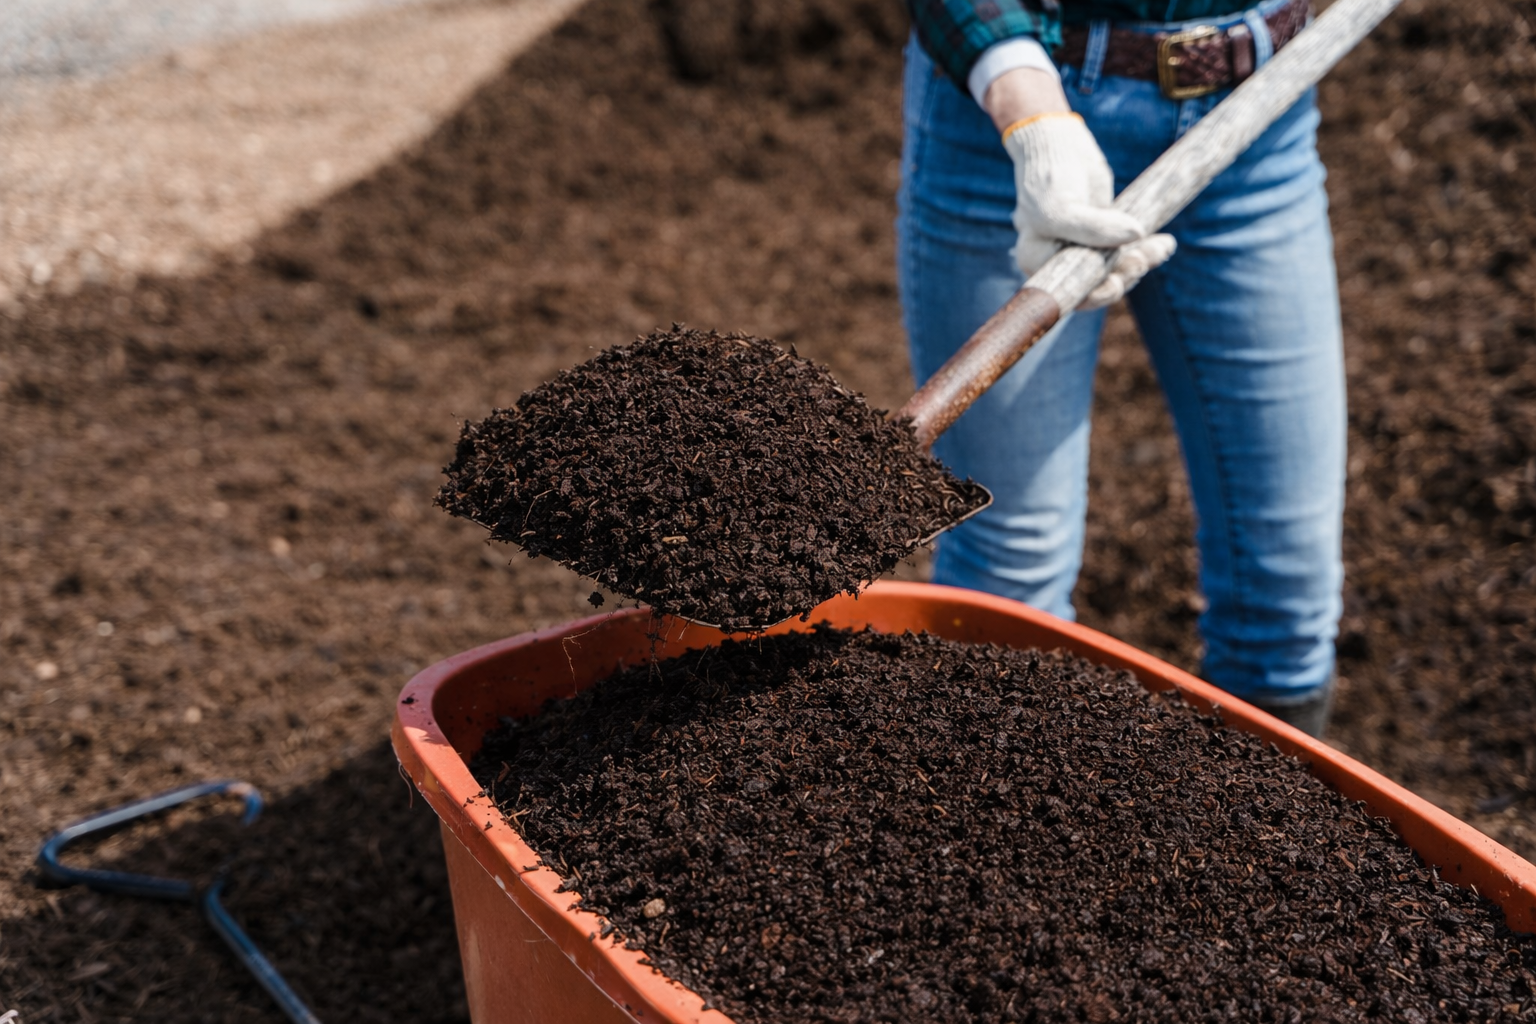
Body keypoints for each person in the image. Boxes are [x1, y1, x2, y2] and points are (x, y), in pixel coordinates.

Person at [899, 0, 1343, 736]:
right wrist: (1032, 118)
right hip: (1012, 115)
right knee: (1012, 573)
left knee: (1286, 591)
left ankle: (1246, 847)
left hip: (1261, 108)